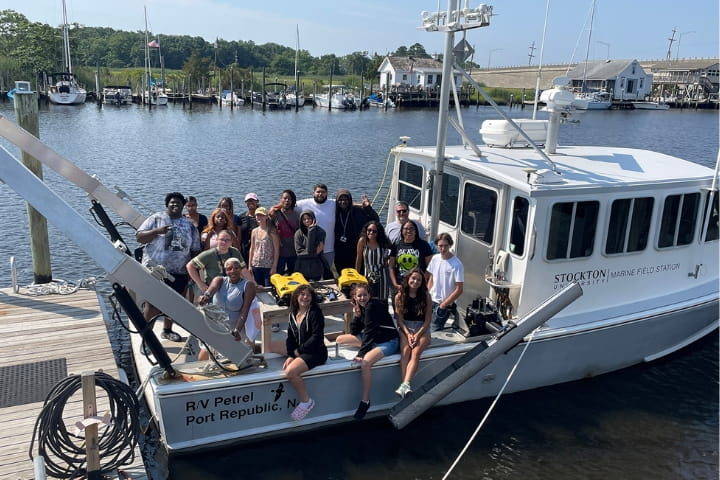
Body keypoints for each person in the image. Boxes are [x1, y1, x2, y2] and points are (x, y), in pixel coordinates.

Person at [136, 192, 201, 342]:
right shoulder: (156, 218)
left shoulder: (189, 225)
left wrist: (193, 272)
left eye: (178, 202)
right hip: (156, 270)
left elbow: (196, 249)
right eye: (172, 202)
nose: (175, 204)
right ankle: (147, 337)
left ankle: (167, 330)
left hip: (179, 271)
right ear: (167, 204)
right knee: (152, 305)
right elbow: (139, 237)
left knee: (174, 304)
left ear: (183, 205)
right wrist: (157, 231)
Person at [336, 283, 399, 420]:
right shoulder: (363, 308)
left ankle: (365, 401)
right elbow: (354, 331)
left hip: (388, 341)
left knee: (365, 363)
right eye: (359, 295)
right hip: (374, 339)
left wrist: (361, 354)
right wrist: (357, 314)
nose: (363, 297)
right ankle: (369, 349)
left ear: (369, 295)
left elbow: (369, 332)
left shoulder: (372, 306)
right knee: (340, 339)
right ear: (355, 297)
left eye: (365, 295)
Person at [197, 258, 258, 361]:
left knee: (234, 361)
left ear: (240, 269)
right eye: (229, 269)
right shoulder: (219, 280)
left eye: (236, 268)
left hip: (235, 329)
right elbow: (210, 291)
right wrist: (205, 297)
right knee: (202, 359)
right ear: (225, 271)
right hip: (216, 327)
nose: (233, 271)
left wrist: (237, 330)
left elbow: (245, 310)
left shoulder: (248, 286)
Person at [283, 284, 328, 421]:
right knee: (274, 348)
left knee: (290, 372)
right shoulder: (293, 314)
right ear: (296, 297)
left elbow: (317, 337)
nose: (305, 297)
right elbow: (290, 338)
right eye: (302, 294)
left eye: (308, 295)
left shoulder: (315, 313)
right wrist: (291, 355)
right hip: (302, 352)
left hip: (316, 352)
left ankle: (306, 401)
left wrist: (299, 351)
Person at [395, 268, 432, 398]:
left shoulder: (426, 296)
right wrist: (408, 334)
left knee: (415, 352)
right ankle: (405, 386)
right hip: (406, 328)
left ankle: (405, 384)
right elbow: (400, 320)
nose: (415, 281)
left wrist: (417, 335)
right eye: (413, 278)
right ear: (408, 279)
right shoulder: (399, 296)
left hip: (422, 328)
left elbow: (428, 320)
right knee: (405, 351)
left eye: (419, 280)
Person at [186, 229, 252, 299]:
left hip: (232, 289)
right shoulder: (209, 254)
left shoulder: (234, 252)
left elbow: (244, 270)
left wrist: (254, 284)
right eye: (222, 239)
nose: (224, 242)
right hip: (214, 291)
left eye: (227, 240)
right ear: (217, 240)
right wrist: (200, 284)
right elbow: (190, 266)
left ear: (231, 241)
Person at [334, 189, 378, 273]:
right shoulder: (334, 211)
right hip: (339, 249)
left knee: (357, 272)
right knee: (342, 272)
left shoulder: (358, 211)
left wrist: (368, 208)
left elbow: (375, 220)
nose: (343, 202)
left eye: (346, 200)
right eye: (340, 200)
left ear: (350, 200)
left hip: (355, 247)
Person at [427, 233, 465, 332]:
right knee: (426, 327)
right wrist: (427, 294)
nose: (443, 249)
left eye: (445, 246)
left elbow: (459, 289)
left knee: (434, 330)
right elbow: (431, 278)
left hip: (444, 305)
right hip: (431, 300)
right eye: (440, 246)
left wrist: (444, 305)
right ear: (436, 246)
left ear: (450, 245)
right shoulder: (435, 259)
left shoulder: (457, 264)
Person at [295, 184, 336, 274]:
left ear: (327, 193)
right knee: (310, 274)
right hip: (309, 249)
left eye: (323, 192)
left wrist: (362, 205)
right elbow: (288, 203)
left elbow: (349, 202)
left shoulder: (333, 203)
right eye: (318, 192)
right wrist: (275, 208)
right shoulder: (304, 203)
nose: (320, 194)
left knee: (326, 273)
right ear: (313, 193)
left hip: (328, 249)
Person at [389, 220, 434, 292]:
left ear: (415, 231)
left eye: (411, 228)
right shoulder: (396, 245)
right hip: (401, 284)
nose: (408, 231)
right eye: (406, 229)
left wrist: (421, 281)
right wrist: (395, 284)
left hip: (417, 284)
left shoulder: (423, 245)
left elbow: (430, 266)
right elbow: (391, 266)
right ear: (402, 231)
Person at [355, 220, 392, 303]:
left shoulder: (384, 242)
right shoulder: (362, 241)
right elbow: (359, 258)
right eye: (369, 230)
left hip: (382, 275)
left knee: (382, 300)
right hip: (368, 274)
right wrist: (357, 275)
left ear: (378, 232)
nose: (371, 232)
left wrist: (388, 261)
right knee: (368, 299)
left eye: (374, 231)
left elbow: (392, 254)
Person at [248, 206, 280, 287]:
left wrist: (274, 266)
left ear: (266, 216)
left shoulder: (272, 231)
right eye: (257, 215)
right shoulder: (254, 231)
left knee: (268, 288)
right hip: (256, 264)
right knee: (258, 288)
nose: (259, 217)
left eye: (261, 215)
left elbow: (277, 250)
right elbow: (252, 248)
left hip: (268, 265)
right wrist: (250, 265)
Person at [270, 189, 300, 275]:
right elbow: (267, 227)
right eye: (285, 198)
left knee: (294, 277)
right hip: (279, 253)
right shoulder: (275, 214)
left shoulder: (297, 215)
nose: (287, 201)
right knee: (278, 276)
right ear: (281, 200)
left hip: (293, 252)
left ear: (292, 201)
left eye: (289, 199)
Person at [294, 210, 326, 281]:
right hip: (301, 267)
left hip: (316, 267)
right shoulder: (298, 233)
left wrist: (311, 231)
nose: (307, 221)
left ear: (313, 219)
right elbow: (299, 253)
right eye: (304, 219)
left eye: (309, 218)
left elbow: (312, 250)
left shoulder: (321, 232)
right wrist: (315, 253)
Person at [239, 193, 260, 263]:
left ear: (257, 201)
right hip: (244, 249)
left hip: (258, 248)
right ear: (245, 202)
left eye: (253, 200)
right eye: (248, 201)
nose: (251, 202)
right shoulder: (241, 217)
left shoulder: (262, 216)